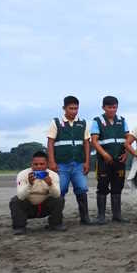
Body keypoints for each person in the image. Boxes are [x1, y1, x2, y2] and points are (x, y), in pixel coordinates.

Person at [46, 95, 91, 225]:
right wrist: (52, 162)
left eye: (76, 108)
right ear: (64, 108)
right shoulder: (56, 123)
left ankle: (85, 218)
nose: (74, 111)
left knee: (82, 188)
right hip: (61, 164)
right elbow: (50, 142)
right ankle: (56, 219)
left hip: (78, 164)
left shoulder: (82, 123)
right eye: (71, 108)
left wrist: (87, 162)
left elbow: (86, 143)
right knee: (60, 190)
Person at [91, 95, 129, 224]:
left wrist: (126, 154)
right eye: (109, 107)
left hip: (119, 160)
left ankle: (117, 215)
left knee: (118, 186)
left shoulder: (122, 121)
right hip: (104, 161)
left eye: (114, 107)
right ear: (103, 107)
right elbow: (94, 141)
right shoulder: (97, 121)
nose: (112, 110)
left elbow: (128, 139)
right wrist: (104, 154)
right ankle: (101, 216)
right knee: (102, 186)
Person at [10, 151, 65, 235]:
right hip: (28, 208)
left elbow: (56, 195)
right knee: (15, 201)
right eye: (35, 164)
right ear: (31, 164)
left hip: (45, 207)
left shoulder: (53, 175)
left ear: (47, 164)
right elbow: (20, 196)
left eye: (42, 164)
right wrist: (29, 184)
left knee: (59, 199)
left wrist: (50, 184)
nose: (39, 167)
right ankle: (19, 227)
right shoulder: (22, 174)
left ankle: (55, 224)